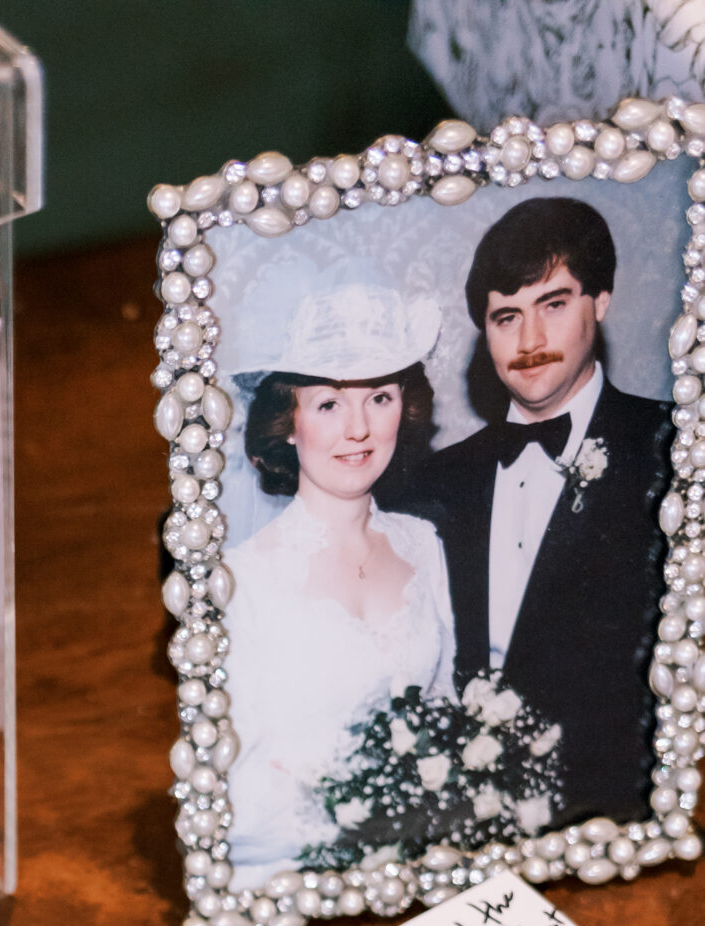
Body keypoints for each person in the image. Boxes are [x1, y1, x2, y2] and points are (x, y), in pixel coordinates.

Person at [408, 196, 670, 823]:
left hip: (620, 811)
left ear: (599, 302)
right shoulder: (439, 479)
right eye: (506, 317)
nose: (529, 341)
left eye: (553, 304)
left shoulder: (673, 449)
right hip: (459, 815)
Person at [225, 278, 455, 878]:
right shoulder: (243, 581)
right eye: (328, 403)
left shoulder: (424, 547)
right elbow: (235, 780)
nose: (359, 429)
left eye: (379, 397)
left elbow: (445, 709)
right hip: (288, 872)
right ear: (289, 424)